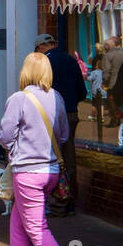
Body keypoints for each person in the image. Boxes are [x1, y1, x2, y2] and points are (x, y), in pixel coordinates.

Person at [0, 53, 80, 246]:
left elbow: (4, 134)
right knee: (18, 221)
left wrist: (14, 147)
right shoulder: (57, 97)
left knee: (36, 226)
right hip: (52, 170)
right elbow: (63, 136)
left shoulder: (19, 99)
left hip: (28, 171)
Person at [36, 33, 84, 216]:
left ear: (40, 47)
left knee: (51, 157)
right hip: (71, 113)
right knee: (68, 157)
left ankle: (56, 202)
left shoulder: (43, 63)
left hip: (50, 115)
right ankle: (69, 200)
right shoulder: (71, 60)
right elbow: (82, 91)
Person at [104, 35, 123, 122]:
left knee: (113, 105)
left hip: (113, 84)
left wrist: (105, 83)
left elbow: (107, 72)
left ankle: (116, 120)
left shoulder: (108, 55)